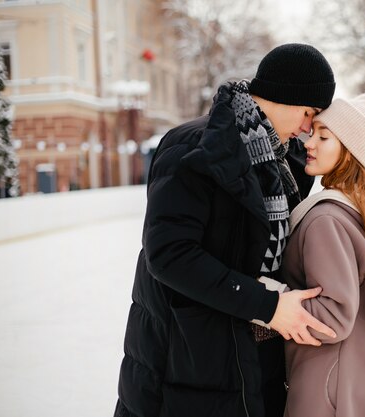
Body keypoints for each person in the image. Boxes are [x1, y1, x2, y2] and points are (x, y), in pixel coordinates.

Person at [114, 43, 338, 417]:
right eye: (308, 112)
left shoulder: (286, 164)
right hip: (185, 365)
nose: (306, 127)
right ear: (284, 97)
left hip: (254, 363)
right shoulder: (193, 147)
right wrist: (267, 307)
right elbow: (170, 255)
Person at [280, 93, 365, 417]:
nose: (310, 143)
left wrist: (269, 299)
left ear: (350, 152)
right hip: (361, 390)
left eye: (324, 137)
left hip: (327, 396)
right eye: (313, 133)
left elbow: (332, 316)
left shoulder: (327, 220)